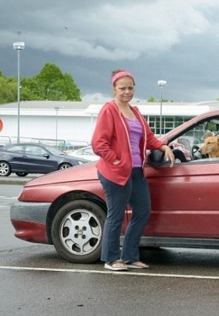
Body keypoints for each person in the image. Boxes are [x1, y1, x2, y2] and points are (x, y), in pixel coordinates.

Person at [92, 69, 175, 271]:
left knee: (143, 210)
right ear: (114, 89)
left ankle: (129, 256)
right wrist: (116, 159)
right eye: (122, 88)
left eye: (130, 88)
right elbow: (98, 143)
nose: (127, 92)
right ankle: (111, 259)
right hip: (115, 172)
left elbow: (149, 137)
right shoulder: (109, 110)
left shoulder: (135, 112)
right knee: (116, 215)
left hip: (137, 171)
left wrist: (163, 146)